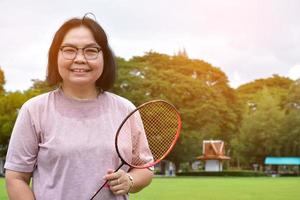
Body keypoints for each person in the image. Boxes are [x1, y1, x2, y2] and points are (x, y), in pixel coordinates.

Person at [4, 14, 153, 200]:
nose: (80, 59)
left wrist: (130, 180)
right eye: (69, 50)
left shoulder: (125, 109)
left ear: (104, 57)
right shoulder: (34, 110)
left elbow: (145, 168)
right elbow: (16, 178)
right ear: (55, 56)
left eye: (91, 51)